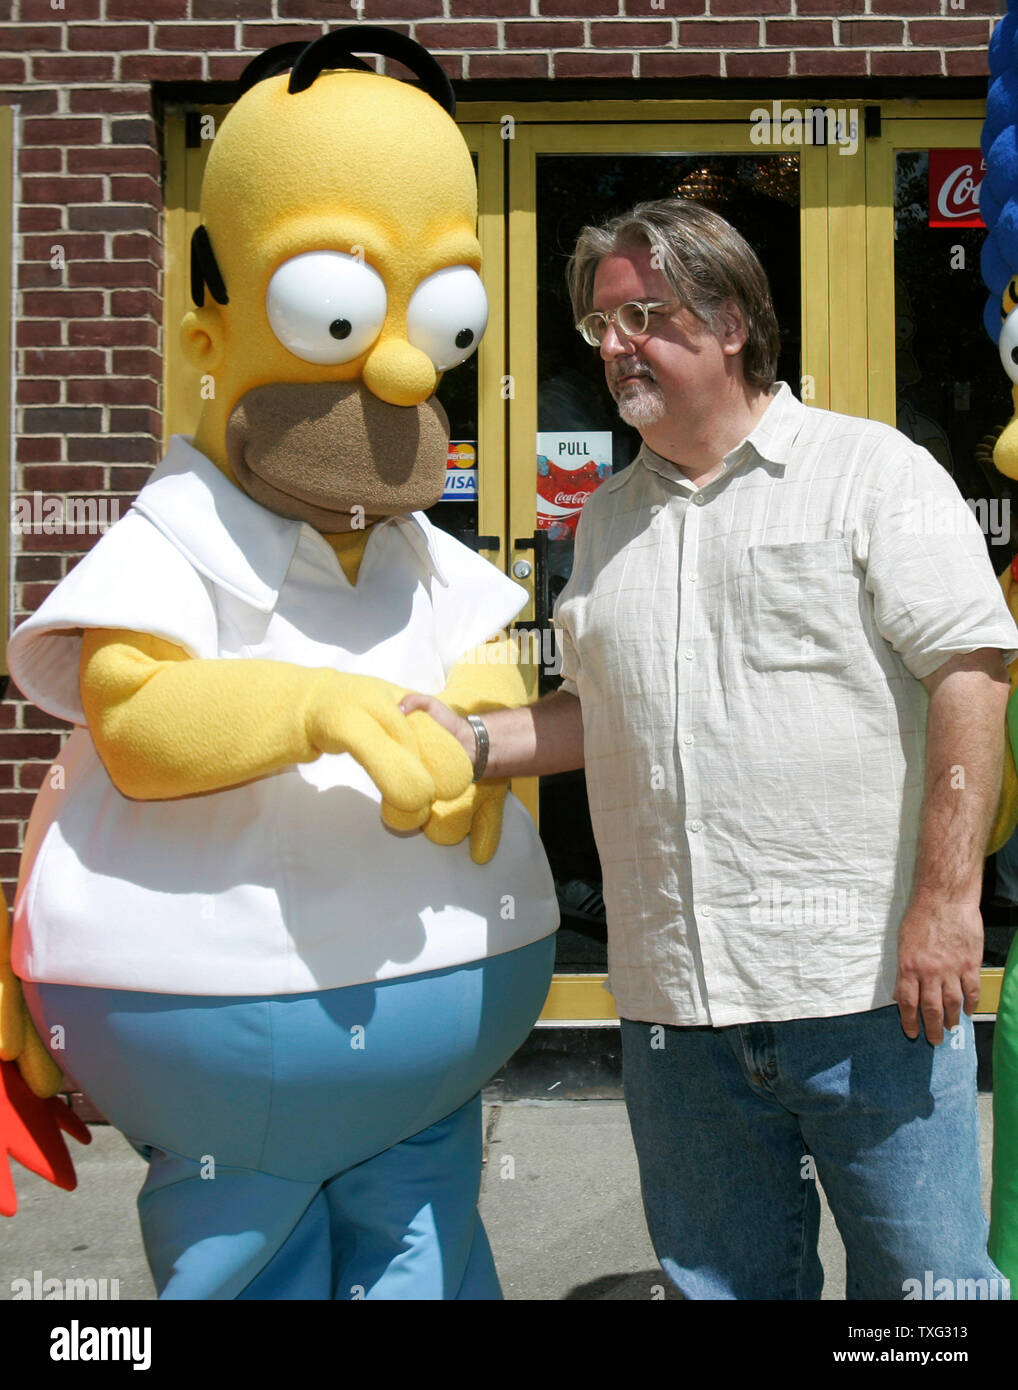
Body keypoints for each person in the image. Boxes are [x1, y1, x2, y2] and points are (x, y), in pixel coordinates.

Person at [403, 197, 1018, 1300]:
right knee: (721, 1289)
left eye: (645, 315)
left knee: (928, 1293)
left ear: (731, 321)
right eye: (602, 326)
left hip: (868, 993)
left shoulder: (872, 474)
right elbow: (602, 709)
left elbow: (969, 675)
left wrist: (946, 900)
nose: (617, 347)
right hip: (675, 1011)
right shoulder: (604, 522)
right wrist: (466, 743)